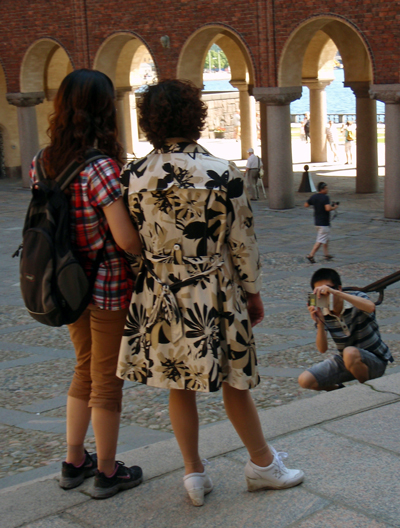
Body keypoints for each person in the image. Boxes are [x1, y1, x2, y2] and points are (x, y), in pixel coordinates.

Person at [116, 79, 304, 507]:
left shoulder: (134, 175)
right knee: (234, 382)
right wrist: (253, 293)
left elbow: (129, 244)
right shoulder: (222, 172)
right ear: (195, 117)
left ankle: (193, 473)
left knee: (178, 385)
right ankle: (262, 463)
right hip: (214, 291)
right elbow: (242, 242)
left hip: (160, 291)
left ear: (149, 121)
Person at [29, 69, 143, 500]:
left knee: (83, 369)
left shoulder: (43, 159)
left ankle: (74, 460)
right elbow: (125, 239)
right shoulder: (100, 167)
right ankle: (109, 471)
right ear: (103, 111)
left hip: (65, 283)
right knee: (106, 378)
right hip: (107, 285)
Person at [298, 268, 393, 392]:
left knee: (349, 353)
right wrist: (320, 323)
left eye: (327, 289)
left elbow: (371, 307)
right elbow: (322, 349)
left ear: (339, 288)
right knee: (305, 380)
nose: (324, 295)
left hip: (375, 360)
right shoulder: (323, 312)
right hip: (347, 361)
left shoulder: (355, 298)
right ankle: (340, 391)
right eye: (319, 293)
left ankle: (369, 392)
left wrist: (336, 294)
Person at [304, 182, 338, 263]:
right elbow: (327, 208)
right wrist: (334, 207)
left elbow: (306, 204)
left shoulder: (314, 196)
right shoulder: (325, 197)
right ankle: (311, 255)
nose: (327, 189)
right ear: (322, 189)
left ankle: (326, 254)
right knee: (320, 240)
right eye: (326, 188)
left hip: (317, 222)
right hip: (324, 223)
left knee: (326, 239)